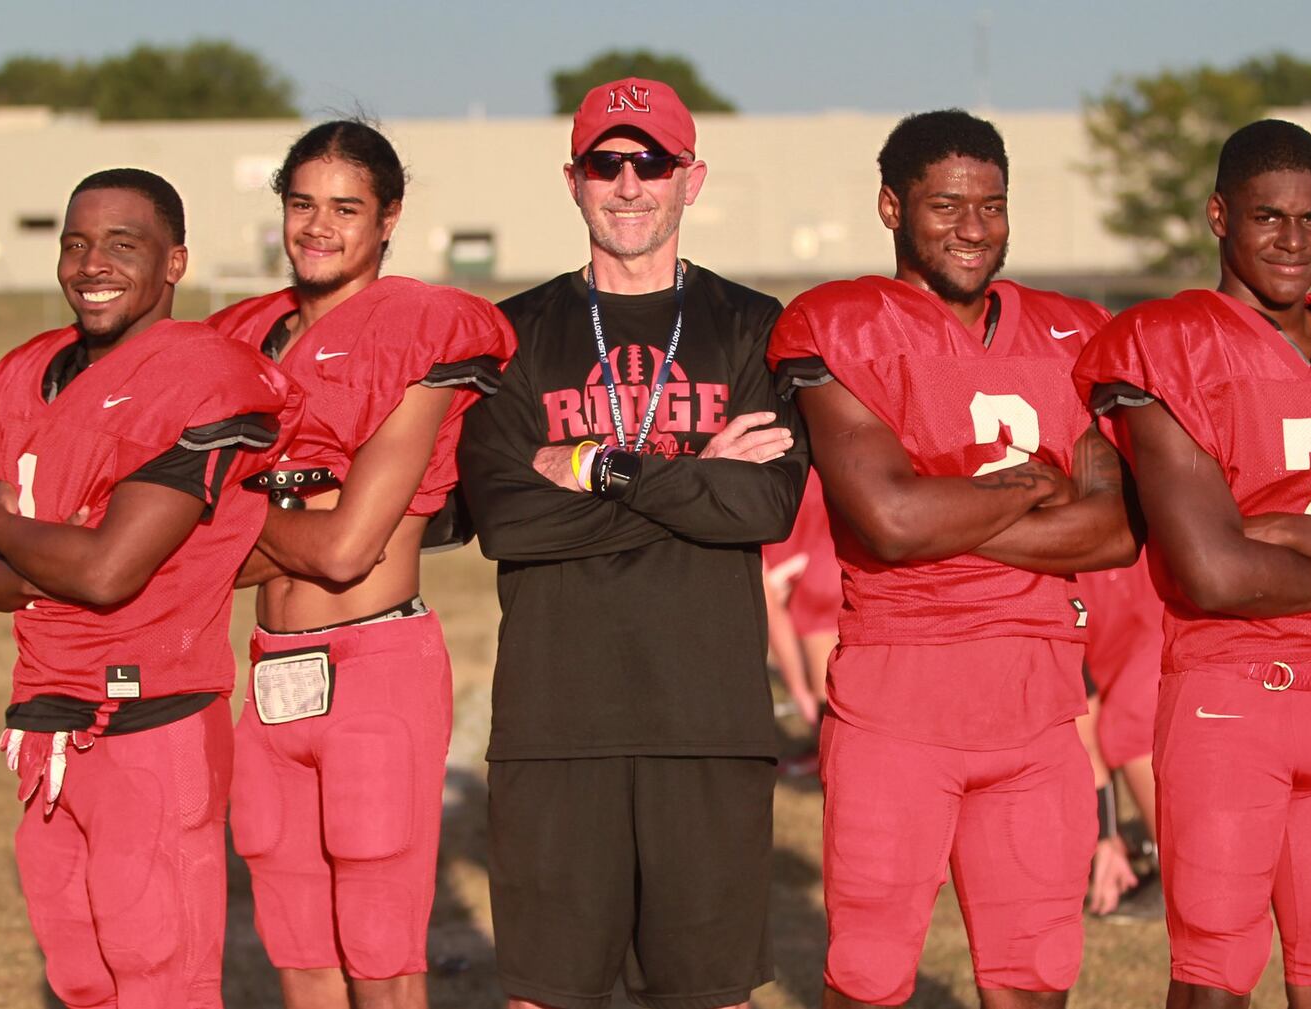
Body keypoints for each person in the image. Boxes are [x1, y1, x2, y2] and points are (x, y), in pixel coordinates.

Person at [1073, 119, 1311, 1007]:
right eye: (1269, 217)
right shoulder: (1166, 344)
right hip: (1228, 699)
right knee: (1214, 976)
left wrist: (1278, 530)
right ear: (1219, 216)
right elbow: (1213, 573)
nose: (1294, 241)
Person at [769, 109, 1140, 1009]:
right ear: (892, 207)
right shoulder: (839, 322)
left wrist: (950, 509)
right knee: (869, 980)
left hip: (1040, 712)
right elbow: (889, 520)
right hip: (896, 714)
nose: (973, 228)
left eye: (992, 206)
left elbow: (1119, 530)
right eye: (947, 205)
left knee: (1035, 980)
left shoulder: (1070, 334)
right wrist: (1034, 483)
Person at [456, 77, 807, 1009]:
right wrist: (696, 472)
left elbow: (762, 506)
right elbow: (508, 519)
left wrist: (596, 466)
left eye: (651, 161)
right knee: (547, 996)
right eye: (605, 163)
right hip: (555, 725)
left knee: (709, 994)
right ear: (572, 180)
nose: (628, 184)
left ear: (692, 178)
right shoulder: (515, 334)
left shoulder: (754, 328)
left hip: (709, 720)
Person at [0, 168, 302, 1009]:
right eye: (75, 244)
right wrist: (51, 555)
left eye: (122, 243)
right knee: (81, 979)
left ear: (175, 262)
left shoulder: (202, 374)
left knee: (162, 982)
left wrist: (14, 535)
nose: (90, 263)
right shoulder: (30, 372)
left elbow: (108, 572)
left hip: (149, 723)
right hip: (46, 720)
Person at [207, 120, 514, 1009]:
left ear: (388, 220)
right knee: (298, 951)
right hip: (268, 673)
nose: (319, 225)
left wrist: (236, 526)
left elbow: (348, 548)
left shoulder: (420, 330)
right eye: (302, 204)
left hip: (373, 663)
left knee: (382, 959)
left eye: (346, 208)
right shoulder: (241, 337)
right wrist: (278, 520)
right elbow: (192, 550)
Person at [1073, 552, 1163, 916]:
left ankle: (1176, 874)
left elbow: (1089, 737)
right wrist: (1104, 834)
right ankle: (1142, 842)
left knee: (1126, 725)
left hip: (1162, 629)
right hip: (1129, 646)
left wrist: (1103, 837)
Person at [762, 468, 840, 730]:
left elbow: (773, 613)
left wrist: (797, 689)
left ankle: (824, 733)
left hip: (818, 578)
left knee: (828, 701)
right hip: (840, 547)